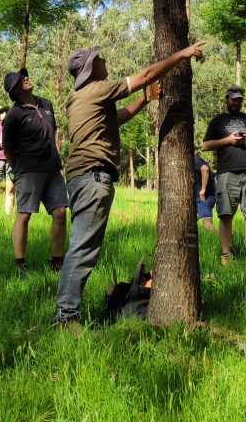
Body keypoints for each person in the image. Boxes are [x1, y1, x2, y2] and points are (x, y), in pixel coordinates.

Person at [52, 40, 204, 325]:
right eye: (99, 59)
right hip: (93, 177)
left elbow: (117, 118)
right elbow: (146, 76)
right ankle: (65, 317)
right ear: (89, 69)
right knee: (83, 250)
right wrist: (183, 53)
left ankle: (66, 312)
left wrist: (145, 100)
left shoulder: (79, 98)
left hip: (81, 177)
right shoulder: (98, 89)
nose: (105, 61)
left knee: (81, 247)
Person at [1, 68, 68, 277]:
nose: (27, 78)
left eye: (25, 76)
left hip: (53, 169)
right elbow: (8, 148)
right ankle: (21, 265)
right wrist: (17, 170)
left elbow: (52, 133)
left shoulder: (46, 103)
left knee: (60, 212)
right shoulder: (13, 115)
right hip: (28, 171)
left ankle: (57, 262)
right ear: (15, 89)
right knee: (24, 215)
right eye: (22, 79)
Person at [201, 85, 246, 263]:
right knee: (225, 215)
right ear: (227, 99)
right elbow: (205, 145)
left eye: (239, 99)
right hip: (226, 172)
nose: (236, 102)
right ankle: (225, 256)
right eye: (233, 99)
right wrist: (228, 140)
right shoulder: (218, 121)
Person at [193, 145, 216, 232]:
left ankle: (228, 240)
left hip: (203, 199)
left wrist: (203, 190)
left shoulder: (195, 160)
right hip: (205, 198)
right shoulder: (201, 160)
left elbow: (205, 169)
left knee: (208, 226)